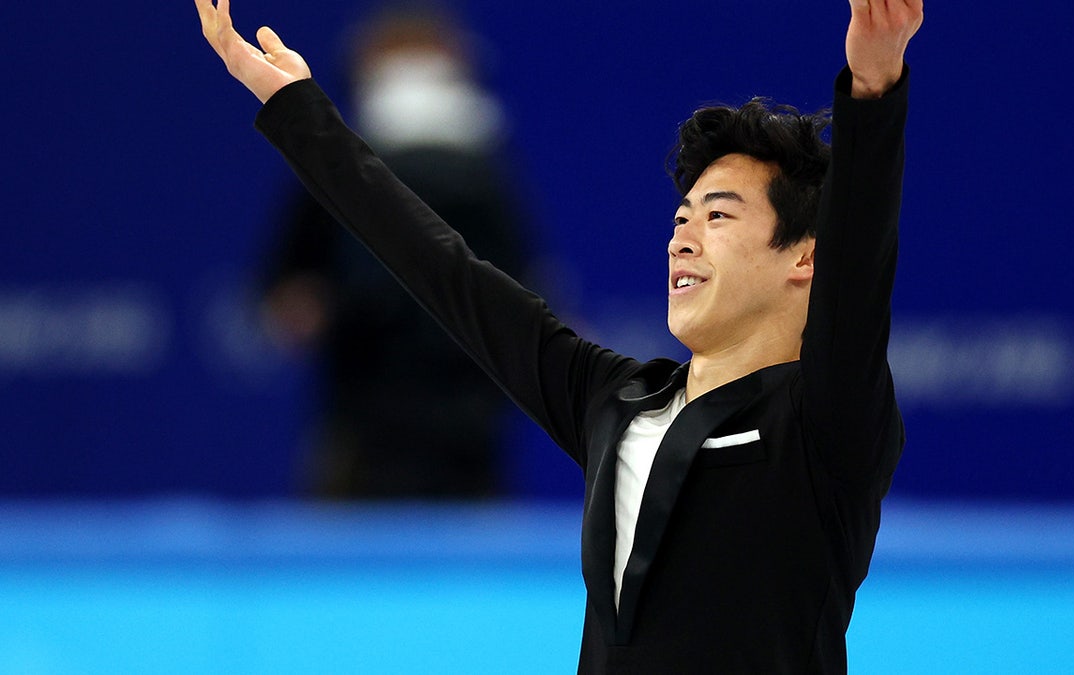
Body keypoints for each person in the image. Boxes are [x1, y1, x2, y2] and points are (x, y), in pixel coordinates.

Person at [195, 0, 923, 670]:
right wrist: (299, 112)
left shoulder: (824, 423)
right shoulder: (614, 399)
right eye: (681, 217)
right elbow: (442, 270)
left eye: (719, 216)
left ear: (804, 256)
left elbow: (858, 275)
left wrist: (873, 86)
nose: (682, 237)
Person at [260, 3, 528, 498]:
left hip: (463, 432)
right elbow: (287, 294)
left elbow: (525, 289)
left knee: (465, 568)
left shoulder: (483, 179)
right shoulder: (331, 174)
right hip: (363, 426)